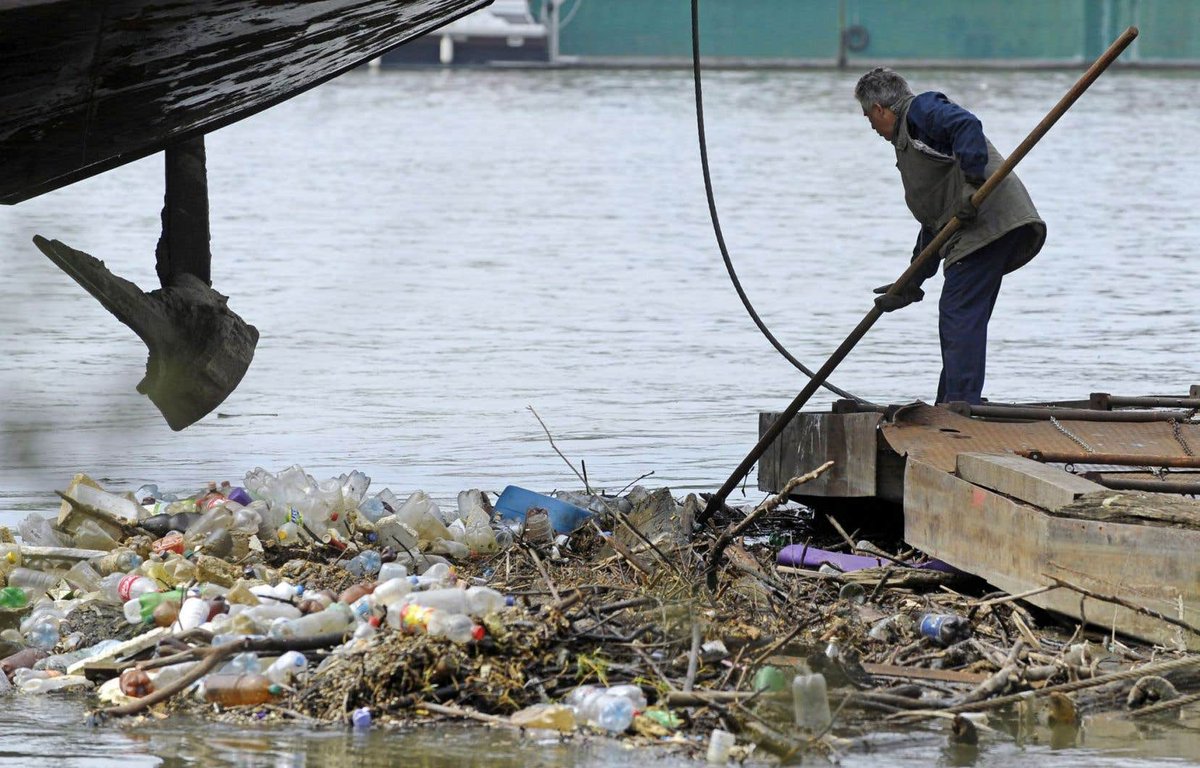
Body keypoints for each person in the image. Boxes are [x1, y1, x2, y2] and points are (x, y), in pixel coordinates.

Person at [854, 67, 1046, 405]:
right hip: (976, 232)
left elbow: (966, 125)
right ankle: (952, 401)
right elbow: (936, 223)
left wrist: (973, 184)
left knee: (958, 313)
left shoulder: (921, 110)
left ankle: (959, 404)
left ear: (881, 109)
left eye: (869, 117)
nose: (871, 126)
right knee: (961, 316)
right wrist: (911, 281)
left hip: (987, 223)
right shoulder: (911, 140)